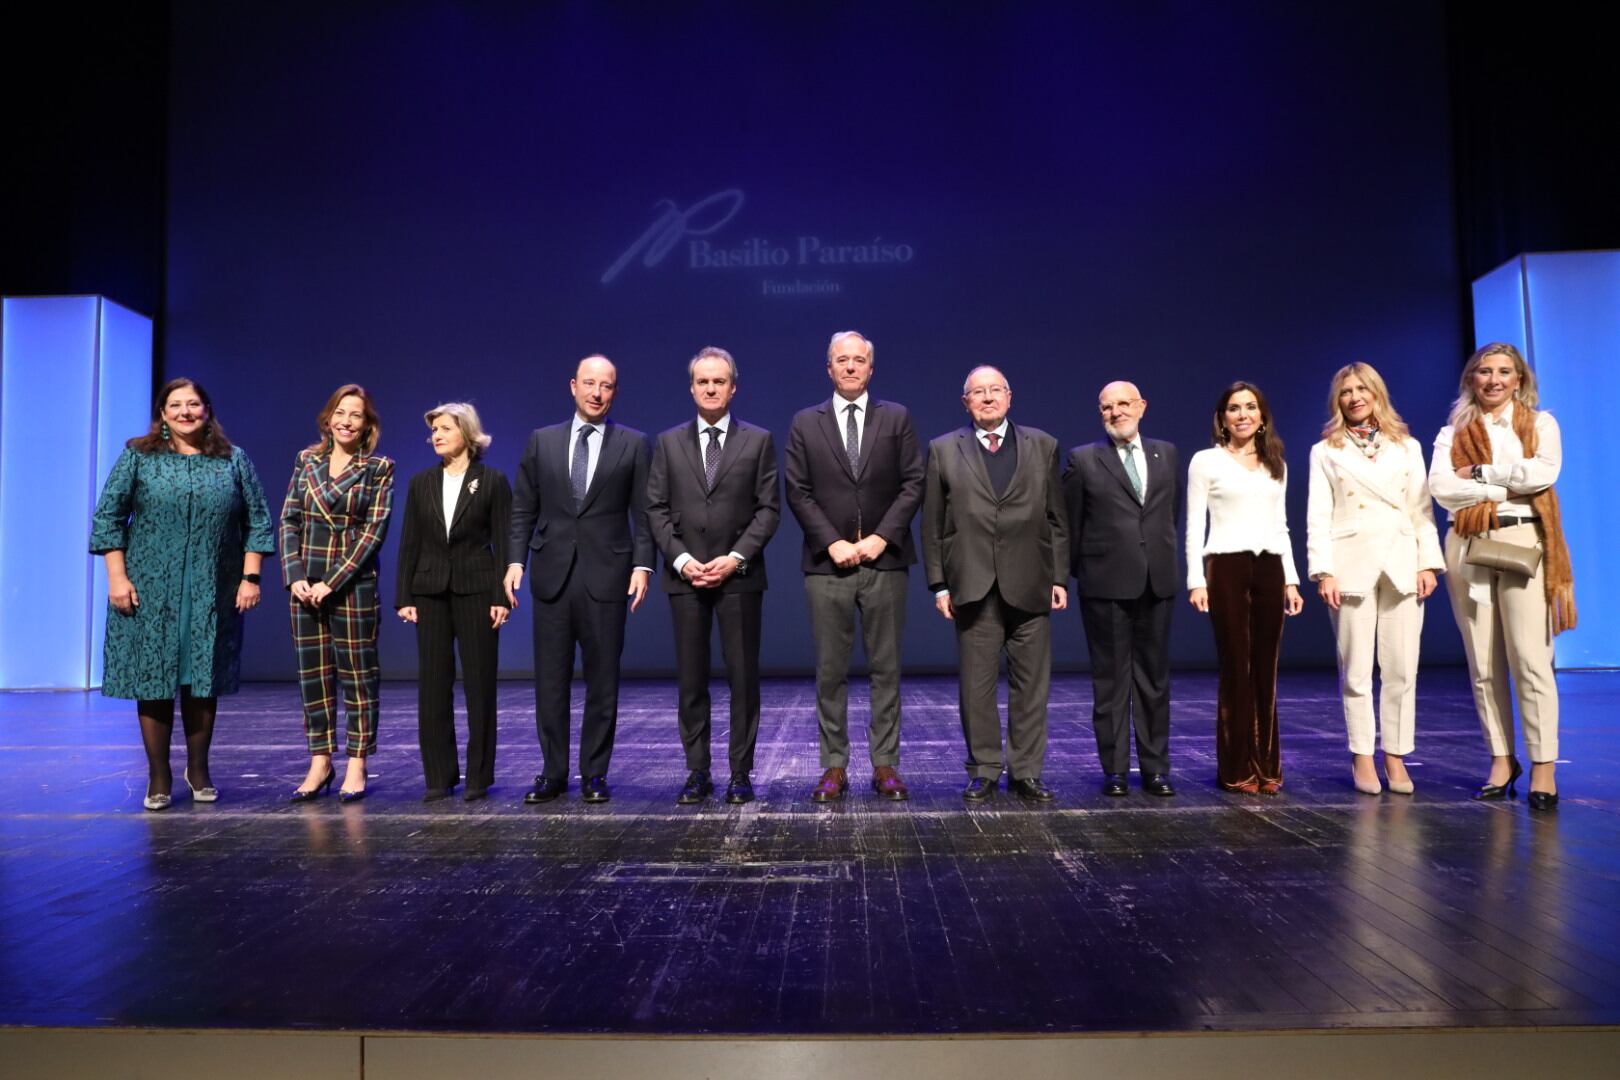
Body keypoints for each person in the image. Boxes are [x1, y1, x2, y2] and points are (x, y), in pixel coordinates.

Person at [90, 378, 275, 810]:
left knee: (201, 677)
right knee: (152, 678)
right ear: (162, 414)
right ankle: (158, 775)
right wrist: (117, 578)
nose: (185, 412)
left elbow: (259, 521)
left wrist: (251, 578)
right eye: (175, 405)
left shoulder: (233, 460)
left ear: (207, 411)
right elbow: (108, 518)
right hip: (150, 588)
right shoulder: (139, 456)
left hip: (212, 588)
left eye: (194, 404)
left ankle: (199, 768)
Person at [1430, 343, 1575, 811]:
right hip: (1468, 545)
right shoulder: (1452, 431)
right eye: (1484, 371)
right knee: (1483, 663)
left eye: (1504, 372)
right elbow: (1443, 488)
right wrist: (1501, 484)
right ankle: (1500, 759)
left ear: (1519, 379)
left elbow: (1543, 474)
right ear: (1471, 378)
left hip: (1522, 541)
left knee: (1531, 659)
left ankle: (1544, 769)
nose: (1494, 380)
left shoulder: (1540, 424)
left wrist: (1482, 474)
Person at [505, 355, 653, 805]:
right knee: (550, 680)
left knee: (602, 680)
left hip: (608, 575)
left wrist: (643, 566)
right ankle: (552, 772)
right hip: (551, 574)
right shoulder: (542, 441)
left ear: (615, 392)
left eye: (606, 386)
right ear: (573, 386)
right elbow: (522, 508)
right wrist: (515, 562)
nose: (597, 393)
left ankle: (594, 773)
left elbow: (644, 515)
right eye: (589, 384)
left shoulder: (633, 444)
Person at [784, 331, 924, 802]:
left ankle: (885, 763)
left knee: (886, 668)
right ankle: (833, 765)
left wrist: (883, 538)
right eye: (841, 360)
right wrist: (833, 543)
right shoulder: (806, 422)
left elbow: (913, 483)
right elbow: (797, 490)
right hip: (829, 567)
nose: (849, 367)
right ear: (829, 368)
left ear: (870, 368)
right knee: (830, 670)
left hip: (885, 563)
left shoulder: (896, 417)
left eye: (858, 360)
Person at [921, 365, 1069, 802]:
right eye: (977, 393)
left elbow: (1057, 519)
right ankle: (984, 768)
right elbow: (932, 525)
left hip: (1031, 580)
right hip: (972, 582)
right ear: (965, 401)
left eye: (995, 391)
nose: (987, 398)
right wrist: (938, 585)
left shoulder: (1043, 445)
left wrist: (1059, 576)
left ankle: (1026, 771)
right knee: (977, 686)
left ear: (1009, 397)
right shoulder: (944, 449)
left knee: (1031, 685)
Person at [647, 346, 781, 805]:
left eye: (718, 381)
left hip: (739, 578)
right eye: (702, 381)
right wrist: (683, 560)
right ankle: (697, 770)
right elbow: (656, 509)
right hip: (686, 578)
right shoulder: (668, 443)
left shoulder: (759, 440)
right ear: (691, 388)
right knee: (691, 679)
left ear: (733, 387)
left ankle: (740, 772)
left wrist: (736, 557)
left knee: (743, 679)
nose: (710, 388)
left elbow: (769, 510)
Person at [1306, 363, 1443, 796]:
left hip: (1402, 558)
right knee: (1356, 670)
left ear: (1377, 394)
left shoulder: (1408, 447)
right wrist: (1323, 569)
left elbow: (1421, 511)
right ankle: (1363, 756)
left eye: (1362, 388)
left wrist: (1428, 562)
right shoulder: (1325, 450)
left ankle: (1396, 756)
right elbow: (1317, 516)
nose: (1354, 397)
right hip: (1351, 562)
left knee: (1402, 667)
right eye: (1345, 391)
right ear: (1337, 400)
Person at [1063, 380, 1181, 798]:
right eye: (1107, 407)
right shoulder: (1083, 459)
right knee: (1111, 681)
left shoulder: (1165, 453)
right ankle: (1114, 769)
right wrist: (1076, 574)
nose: (1116, 412)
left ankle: (1155, 768)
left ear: (1142, 407)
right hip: (1105, 584)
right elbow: (1070, 525)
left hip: (1157, 580)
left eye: (1124, 404)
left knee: (1153, 680)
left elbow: (1170, 514)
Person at [1186, 381, 1304, 794]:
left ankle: (1267, 765)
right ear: (1222, 418)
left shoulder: (1276, 464)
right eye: (1233, 408)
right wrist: (1196, 579)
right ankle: (1236, 768)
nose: (1242, 414)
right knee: (1236, 666)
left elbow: (1281, 525)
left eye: (1250, 407)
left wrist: (1291, 578)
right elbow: (1194, 524)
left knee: (1266, 668)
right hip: (1227, 565)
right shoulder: (1206, 462)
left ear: (1262, 416)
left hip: (1270, 565)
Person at [280, 384, 395, 802]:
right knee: (314, 677)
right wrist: (295, 576)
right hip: (305, 586)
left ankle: (357, 762)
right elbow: (289, 519)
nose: (347, 421)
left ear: (367, 425)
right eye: (340, 413)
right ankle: (320, 760)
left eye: (356, 415)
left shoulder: (379, 467)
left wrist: (333, 581)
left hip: (352, 586)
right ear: (328, 418)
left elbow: (373, 532)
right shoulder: (306, 460)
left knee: (358, 676)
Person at [396, 403, 512, 802]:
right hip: (429, 592)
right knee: (433, 684)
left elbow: (504, 541)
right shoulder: (420, 482)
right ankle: (439, 776)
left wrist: (502, 596)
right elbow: (409, 541)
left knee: (480, 684)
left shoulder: (492, 481)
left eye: (445, 428)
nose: (436, 436)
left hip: (478, 589)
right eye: (433, 430)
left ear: (467, 433)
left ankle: (479, 777)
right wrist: (403, 596)